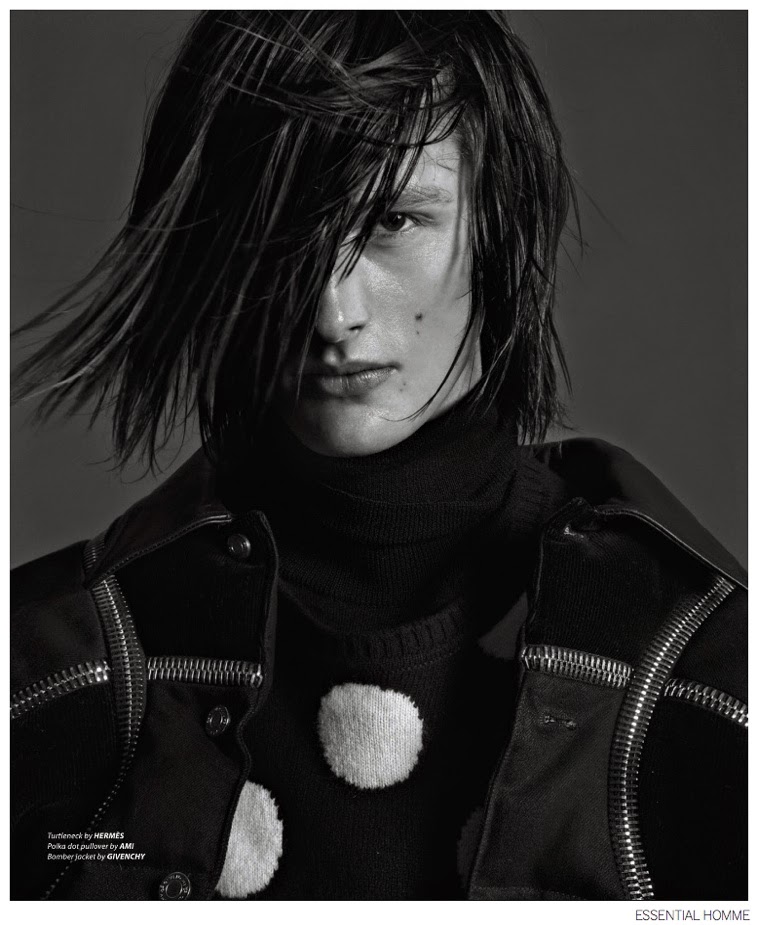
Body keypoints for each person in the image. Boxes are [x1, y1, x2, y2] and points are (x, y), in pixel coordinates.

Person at [10, 11, 747, 902]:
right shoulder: (53, 668)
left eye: (394, 219)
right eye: (281, 231)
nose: (332, 311)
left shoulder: (699, 671)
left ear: (499, 222)